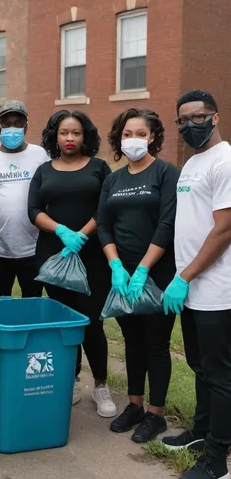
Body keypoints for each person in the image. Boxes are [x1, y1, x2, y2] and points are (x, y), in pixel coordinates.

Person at [162, 90, 231, 479]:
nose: (190, 125)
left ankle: (217, 459)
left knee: (220, 374)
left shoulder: (225, 160)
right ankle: (203, 430)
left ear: (215, 116)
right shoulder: (192, 162)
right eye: (182, 120)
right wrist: (182, 279)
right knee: (199, 365)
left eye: (198, 117)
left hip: (216, 289)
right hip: (188, 286)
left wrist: (185, 275)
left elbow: (224, 229)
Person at [28, 110, 116, 416]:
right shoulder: (43, 170)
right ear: (54, 136)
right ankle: (72, 379)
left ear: (85, 136)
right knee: (65, 323)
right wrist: (61, 231)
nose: (69, 138)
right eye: (64, 133)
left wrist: (82, 234)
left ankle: (102, 384)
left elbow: (106, 208)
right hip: (55, 257)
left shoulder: (99, 168)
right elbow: (34, 209)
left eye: (76, 133)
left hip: (92, 257)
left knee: (92, 321)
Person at [98, 108, 178, 443]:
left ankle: (155, 414)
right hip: (122, 275)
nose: (133, 140)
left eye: (141, 134)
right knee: (132, 340)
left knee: (156, 344)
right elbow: (103, 224)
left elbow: (167, 223)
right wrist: (116, 266)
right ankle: (134, 404)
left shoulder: (165, 173)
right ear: (119, 138)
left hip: (157, 273)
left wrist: (144, 268)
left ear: (154, 137)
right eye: (127, 134)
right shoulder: (114, 178)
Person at [0, 101, 48, 300]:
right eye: (6, 123)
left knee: (33, 302)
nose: (12, 128)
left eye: (17, 122)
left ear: (26, 126)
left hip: (34, 249)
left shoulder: (41, 156)